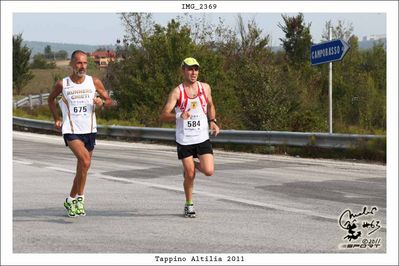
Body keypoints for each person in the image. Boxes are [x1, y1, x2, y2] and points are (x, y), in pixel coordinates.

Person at [48, 50, 112, 217]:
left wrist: (102, 102)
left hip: (89, 130)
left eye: (84, 63)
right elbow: (50, 100)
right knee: (85, 160)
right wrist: (56, 118)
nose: (82, 66)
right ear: (71, 64)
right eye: (78, 63)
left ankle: (70, 199)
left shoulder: (94, 82)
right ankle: (80, 200)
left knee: (83, 167)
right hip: (71, 130)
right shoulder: (63, 84)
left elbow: (110, 101)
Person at [160, 57, 220, 218]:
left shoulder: (205, 88)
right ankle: (189, 205)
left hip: (201, 137)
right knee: (190, 174)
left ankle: (189, 165)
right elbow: (164, 115)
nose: (193, 72)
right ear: (183, 71)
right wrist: (179, 115)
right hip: (185, 139)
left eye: (196, 69)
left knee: (209, 171)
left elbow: (210, 105)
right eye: (190, 69)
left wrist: (212, 121)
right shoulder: (177, 92)